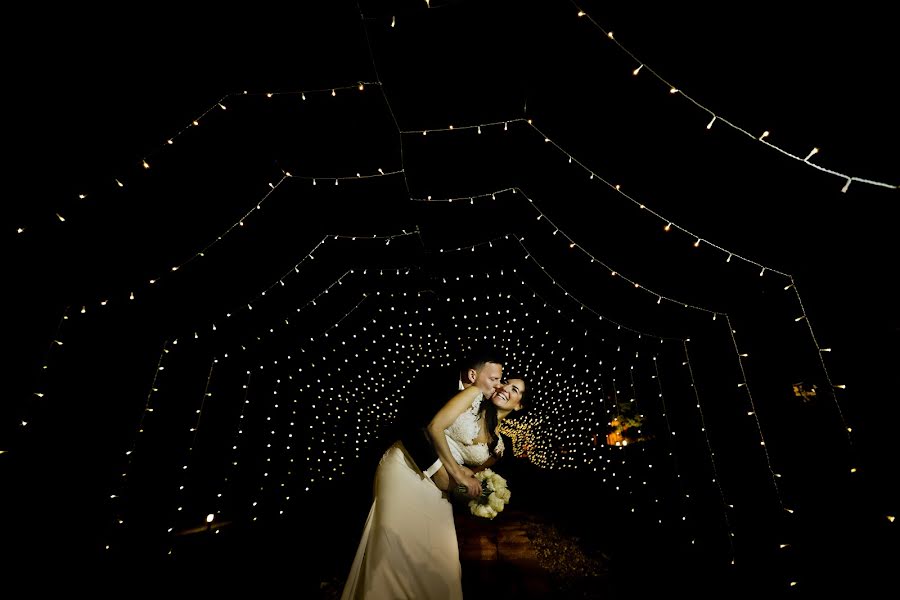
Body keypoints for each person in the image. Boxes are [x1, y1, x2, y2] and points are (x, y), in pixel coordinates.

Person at [340, 367, 527, 599]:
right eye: (506, 382)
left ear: (519, 405)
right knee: (391, 546)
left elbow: (469, 473)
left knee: (443, 561)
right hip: (411, 466)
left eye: (515, 389)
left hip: (438, 488)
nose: (506, 388)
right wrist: (456, 474)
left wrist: (478, 491)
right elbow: (434, 427)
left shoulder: (498, 448)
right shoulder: (472, 396)